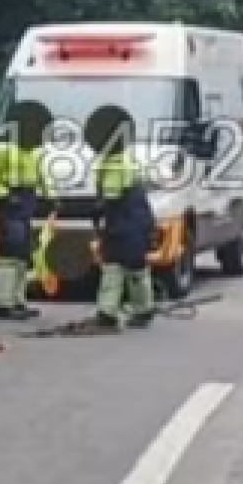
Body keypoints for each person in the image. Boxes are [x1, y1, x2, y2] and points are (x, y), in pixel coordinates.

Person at [0, 101, 53, 320]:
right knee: (9, 254)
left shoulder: (35, 153)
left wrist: (51, 198)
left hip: (26, 205)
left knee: (22, 255)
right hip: (10, 205)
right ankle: (4, 304)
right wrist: (3, 194)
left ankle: (18, 302)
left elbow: (41, 178)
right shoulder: (5, 150)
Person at [88, 105, 155, 330]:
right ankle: (143, 309)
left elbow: (111, 197)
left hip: (123, 221)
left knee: (114, 266)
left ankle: (108, 314)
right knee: (135, 266)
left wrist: (97, 214)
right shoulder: (124, 158)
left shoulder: (115, 163)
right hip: (136, 220)